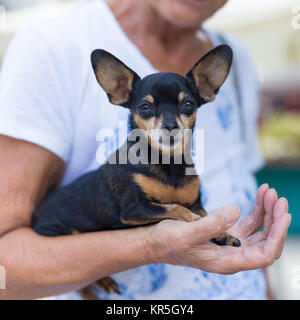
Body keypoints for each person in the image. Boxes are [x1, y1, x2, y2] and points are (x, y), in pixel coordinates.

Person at [0, 0, 291, 300]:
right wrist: (153, 243)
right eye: (148, 110)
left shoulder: (237, 56)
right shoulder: (51, 47)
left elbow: (249, 249)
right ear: (120, 92)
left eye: (186, 106)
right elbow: (3, 271)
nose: (168, 123)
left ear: (206, 89)